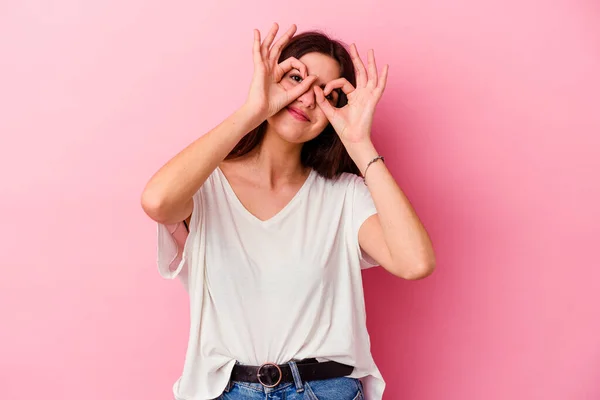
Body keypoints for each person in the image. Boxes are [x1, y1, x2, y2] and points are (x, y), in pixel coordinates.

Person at [141, 22, 436, 400]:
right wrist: (254, 108)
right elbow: (157, 202)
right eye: (295, 79)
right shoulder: (206, 185)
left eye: (326, 94)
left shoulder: (343, 195)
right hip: (228, 390)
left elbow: (415, 263)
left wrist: (360, 143)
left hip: (325, 389)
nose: (307, 98)